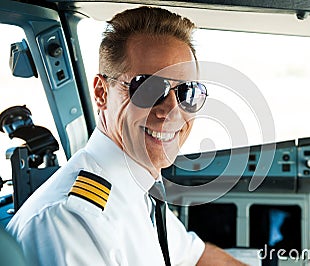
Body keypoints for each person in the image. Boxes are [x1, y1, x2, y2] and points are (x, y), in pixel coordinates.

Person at [6, 6, 246, 266]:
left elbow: (194, 256)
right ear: (101, 93)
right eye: (149, 87)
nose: (172, 110)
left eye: (187, 91)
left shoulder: (139, 188)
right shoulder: (71, 221)